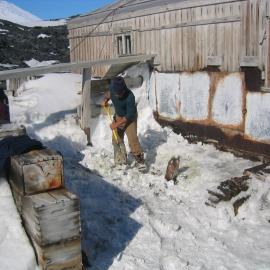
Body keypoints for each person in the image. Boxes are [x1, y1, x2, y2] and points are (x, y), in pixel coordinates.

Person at [103, 76, 144, 165]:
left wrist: (116, 124)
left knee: (133, 140)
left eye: (120, 93)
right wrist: (106, 99)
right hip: (119, 115)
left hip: (130, 118)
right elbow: (108, 94)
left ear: (124, 90)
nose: (118, 95)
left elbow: (129, 115)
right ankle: (120, 156)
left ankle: (140, 159)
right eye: (117, 93)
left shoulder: (130, 97)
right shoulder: (112, 88)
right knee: (116, 139)